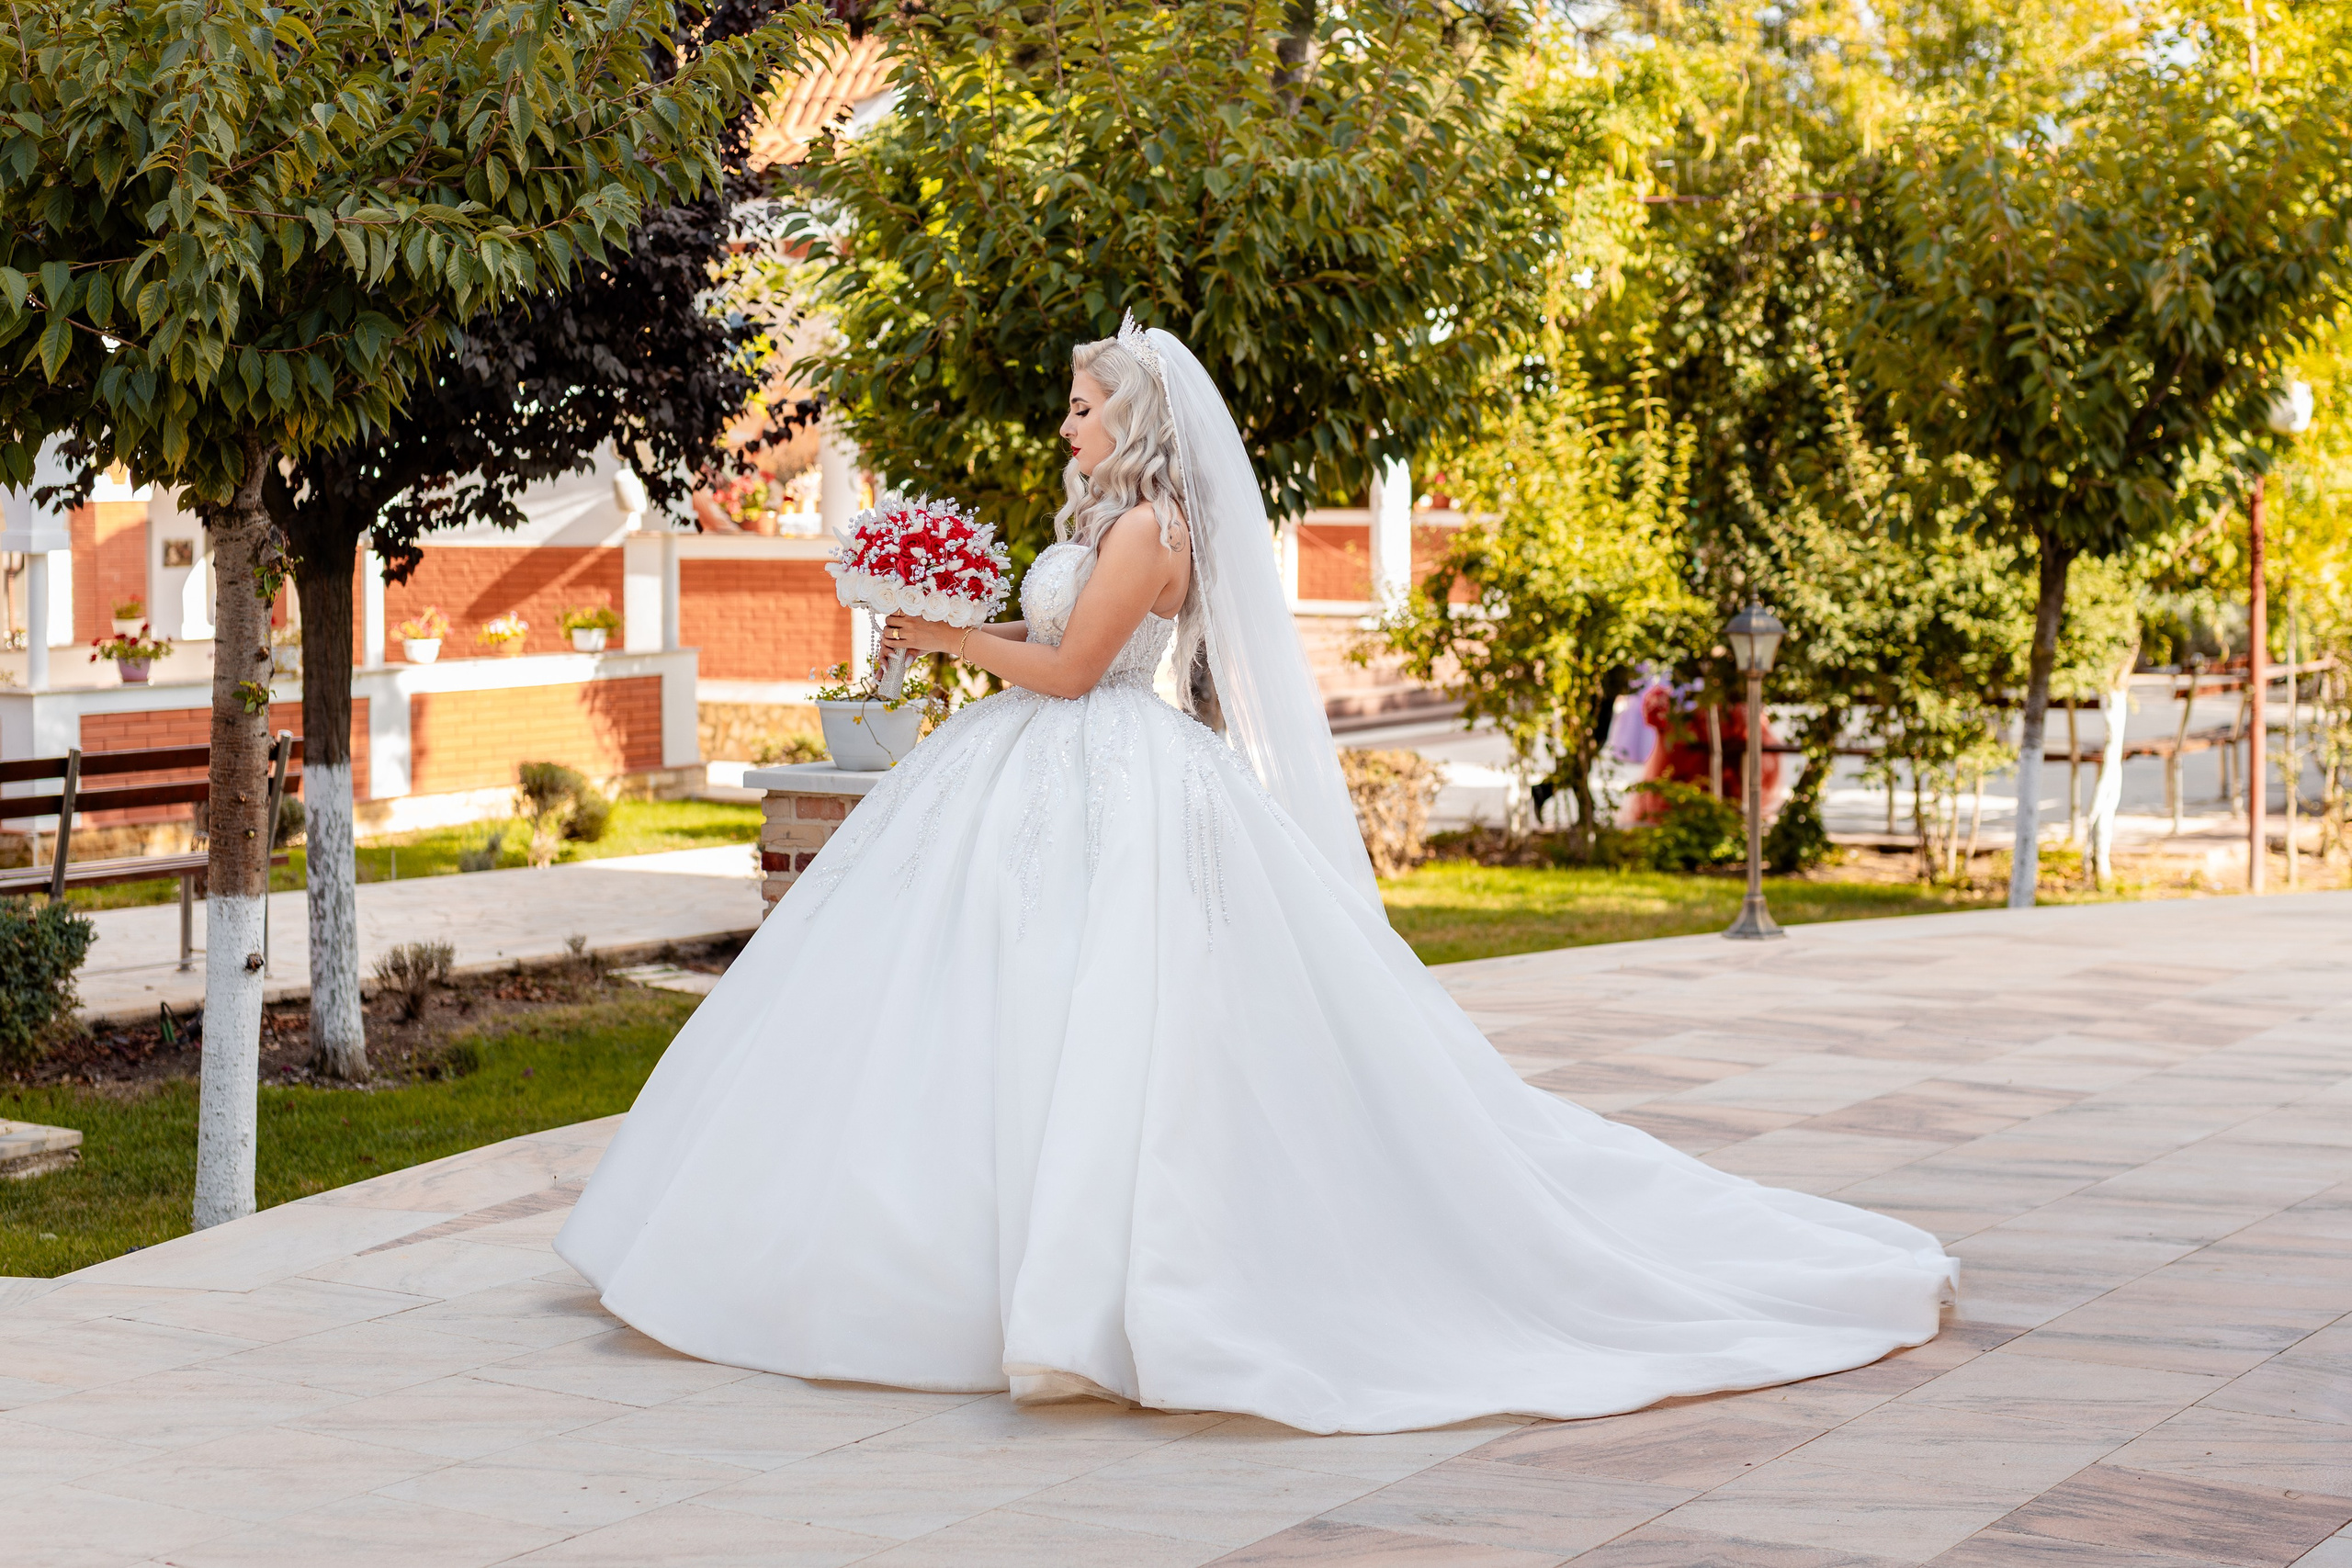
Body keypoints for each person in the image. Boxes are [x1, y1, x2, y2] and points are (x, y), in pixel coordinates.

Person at [554, 317, 1956, 1436]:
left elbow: (1074, 671)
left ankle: (1103, 1285)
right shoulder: (1102, 522)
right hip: (1037, 771)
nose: (1065, 423)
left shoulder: (1151, 529)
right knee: (983, 1003)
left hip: (1110, 769)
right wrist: (949, 623)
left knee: (1112, 1016)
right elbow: (1045, 652)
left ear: (1135, 421)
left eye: (1083, 407)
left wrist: (945, 638)